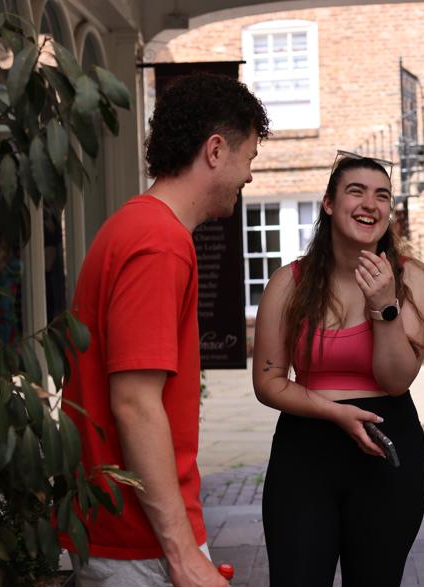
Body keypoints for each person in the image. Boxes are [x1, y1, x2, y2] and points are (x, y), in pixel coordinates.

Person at [60, 72, 269, 587]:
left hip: (132, 538)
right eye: (249, 158)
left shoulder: (138, 226)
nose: (249, 176)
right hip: (140, 547)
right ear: (215, 150)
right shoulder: (158, 242)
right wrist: (180, 552)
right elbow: (134, 402)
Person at [253, 153, 424, 587]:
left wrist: (384, 305)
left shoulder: (412, 279)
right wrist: (336, 413)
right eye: (356, 191)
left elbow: (395, 381)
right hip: (305, 451)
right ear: (329, 204)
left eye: (382, 196)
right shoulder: (289, 283)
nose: (370, 204)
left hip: (386, 447)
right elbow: (268, 381)